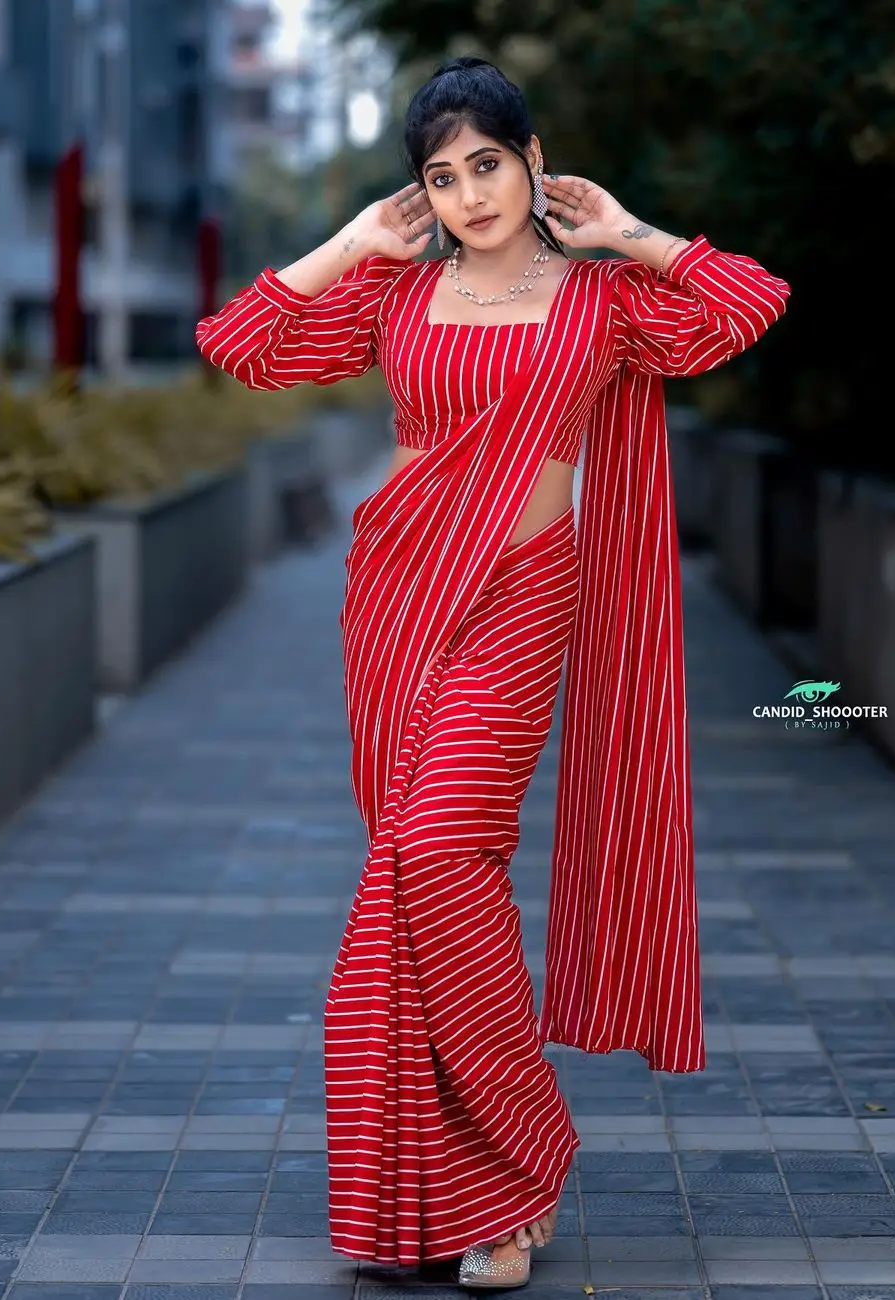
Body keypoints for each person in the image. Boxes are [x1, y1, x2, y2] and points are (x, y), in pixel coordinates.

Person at [196, 55, 789, 1292]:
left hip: (524, 600)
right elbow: (239, 342)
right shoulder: (395, 301)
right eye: (438, 177)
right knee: (411, 875)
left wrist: (631, 230)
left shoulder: (607, 302)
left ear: (533, 157)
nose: (467, 196)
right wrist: (352, 240)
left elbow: (746, 302)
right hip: (401, 606)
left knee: (442, 854)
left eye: (486, 165)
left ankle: (519, 1165)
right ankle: (456, 1201)